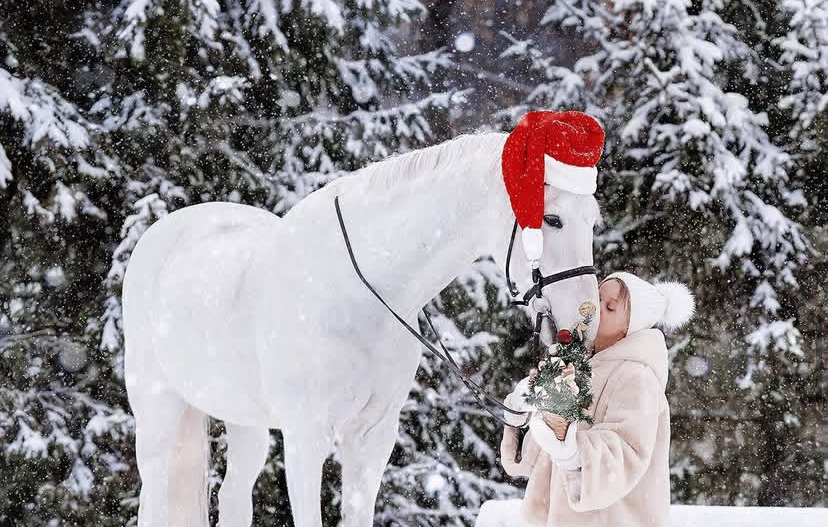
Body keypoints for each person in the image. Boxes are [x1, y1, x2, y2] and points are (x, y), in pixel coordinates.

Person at [487, 272, 695, 527]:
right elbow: (538, 459)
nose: (597, 309)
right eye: (596, 298)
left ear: (631, 327)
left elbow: (625, 453)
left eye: (610, 307)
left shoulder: (638, 377)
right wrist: (525, 415)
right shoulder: (577, 365)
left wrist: (570, 448)